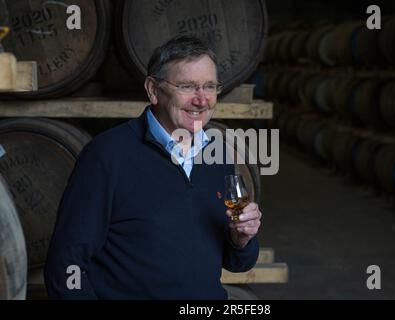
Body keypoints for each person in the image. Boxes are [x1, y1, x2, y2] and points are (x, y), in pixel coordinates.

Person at [44, 36, 262, 299]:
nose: (202, 100)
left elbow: (238, 263)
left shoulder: (218, 156)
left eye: (210, 86)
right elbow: (66, 263)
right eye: (187, 86)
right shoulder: (107, 155)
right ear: (153, 89)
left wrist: (241, 240)